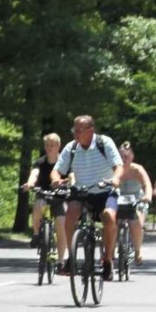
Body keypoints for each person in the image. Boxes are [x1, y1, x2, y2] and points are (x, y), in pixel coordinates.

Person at [54, 115, 123, 280]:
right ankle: (71, 258)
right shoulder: (71, 148)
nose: (76, 133)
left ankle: (107, 260)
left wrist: (115, 178)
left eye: (79, 130)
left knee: (108, 216)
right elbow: (57, 169)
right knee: (70, 213)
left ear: (91, 130)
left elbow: (118, 166)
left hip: (105, 189)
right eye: (74, 130)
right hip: (83, 190)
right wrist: (55, 179)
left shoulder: (104, 143)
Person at [21, 132, 69, 263]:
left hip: (60, 198)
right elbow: (34, 174)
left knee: (61, 223)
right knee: (38, 206)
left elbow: (72, 176)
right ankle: (36, 234)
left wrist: (71, 183)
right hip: (44, 195)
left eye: (52, 145)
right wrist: (30, 183)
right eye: (47, 145)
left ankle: (60, 260)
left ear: (58, 146)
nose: (49, 148)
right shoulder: (40, 162)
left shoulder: (64, 163)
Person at [117, 141, 152, 266]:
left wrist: (147, 196)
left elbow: (147, 184)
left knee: (136, 222)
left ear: (132, 157)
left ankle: (137, 251)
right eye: (121, 156)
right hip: (118, 200)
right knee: (109, 222)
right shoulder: (114, 170)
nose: (124, 159)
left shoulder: (137, 169)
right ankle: (108, 254)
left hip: (136, 200)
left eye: (126, 156)